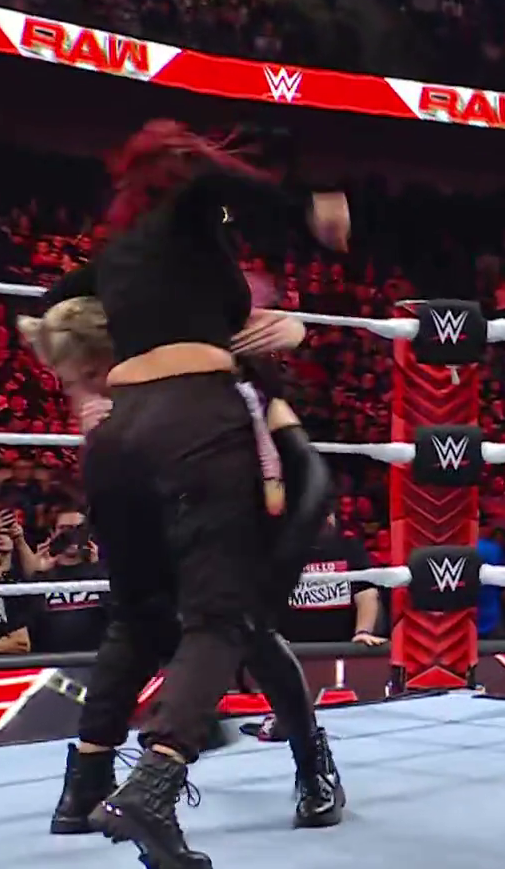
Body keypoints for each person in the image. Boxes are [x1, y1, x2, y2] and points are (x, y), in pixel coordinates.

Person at [33, 120, 351, 869]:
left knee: (138, 614)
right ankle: (158, 783)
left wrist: (82, 385)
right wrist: (310, 206)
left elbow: (49, 306)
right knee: (226, 615)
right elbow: (217, 183)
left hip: (119, 436)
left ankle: (83, 786)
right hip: (199, 422)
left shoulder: (121, 254)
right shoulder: (190, 207)